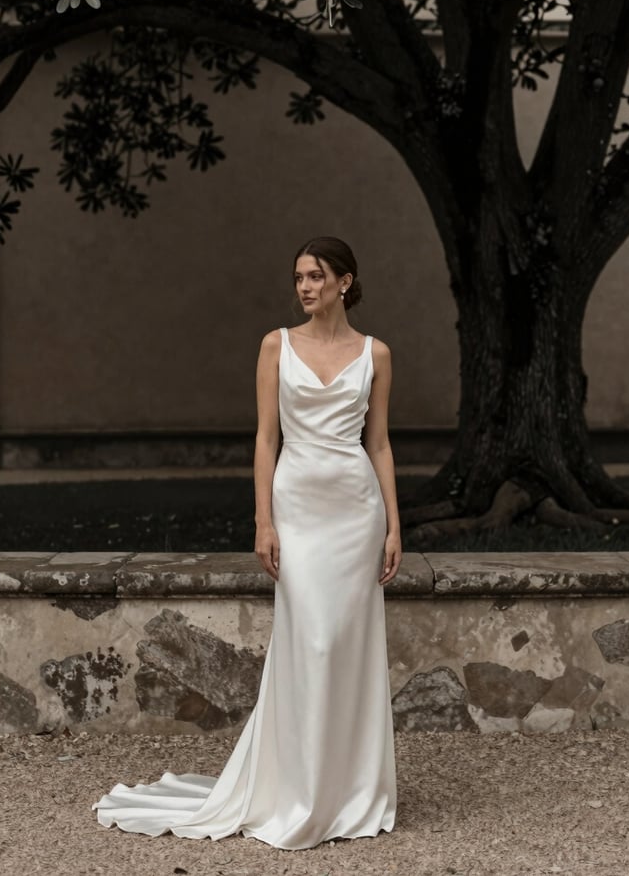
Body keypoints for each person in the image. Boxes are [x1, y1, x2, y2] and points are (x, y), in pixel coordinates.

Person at [93, 235, 402, 850]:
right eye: (299, 278)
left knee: (347, 643)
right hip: (298, 507)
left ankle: (348, 791)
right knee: (310, 639)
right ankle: (296, 790)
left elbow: (381, 444)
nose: (305, 287)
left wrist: (395, 525)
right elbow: (265, 440)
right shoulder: (275, 345)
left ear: (346, 281)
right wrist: (262, 520)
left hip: (355, 509)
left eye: (316, 277)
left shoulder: (377, 354)